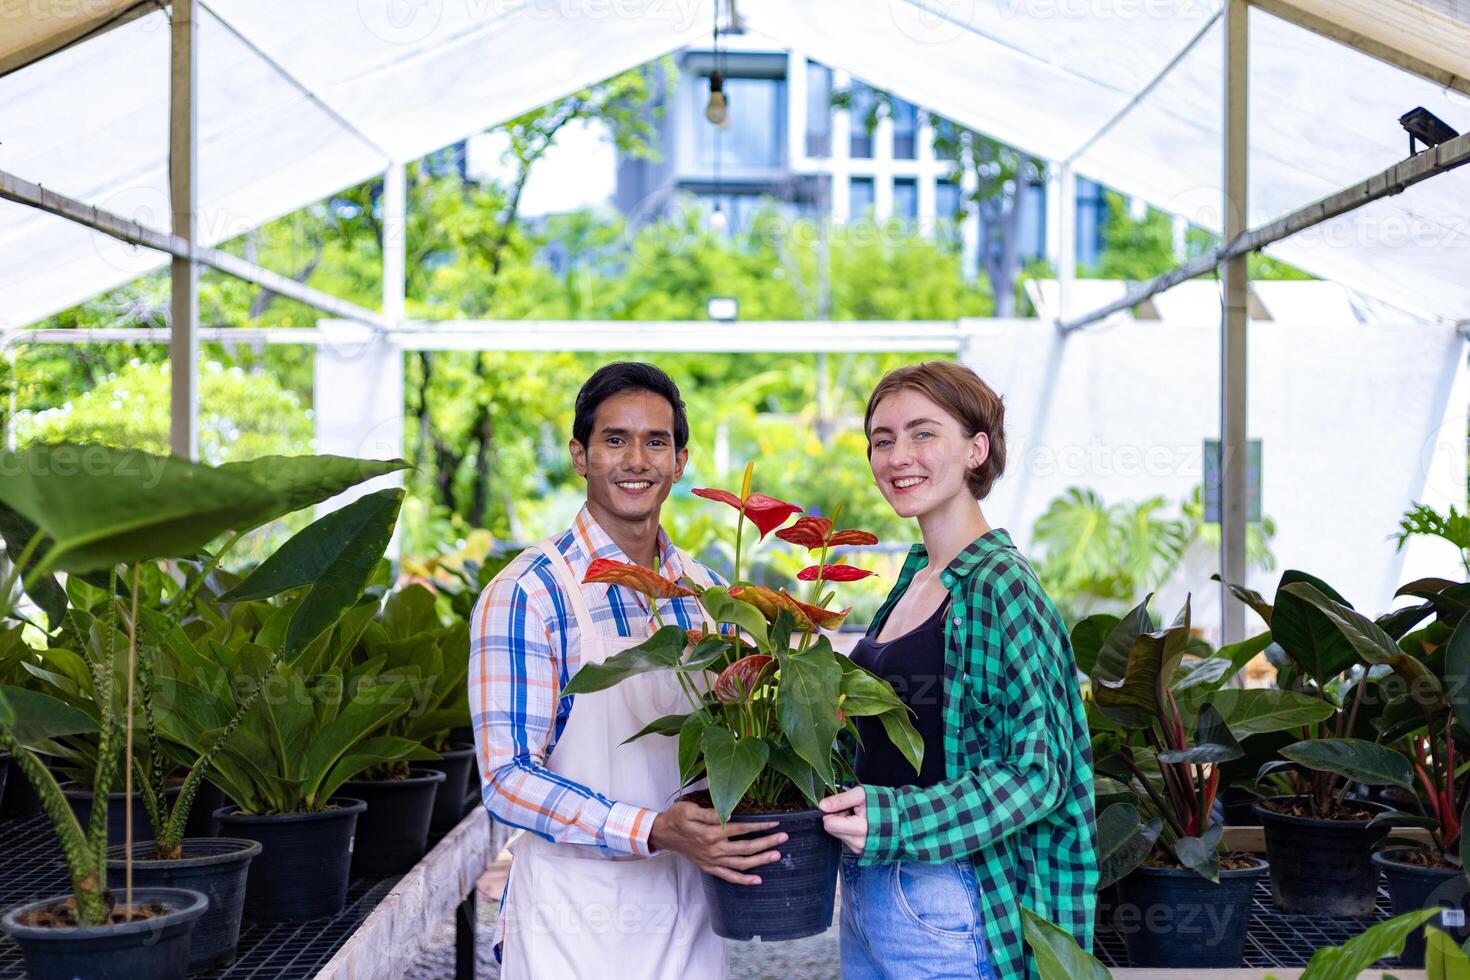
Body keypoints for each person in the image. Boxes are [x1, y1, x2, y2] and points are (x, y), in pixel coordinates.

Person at [469, 362, 785, 979]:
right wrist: (652, 829)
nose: (636, 460)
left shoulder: (708, 594)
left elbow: (734, 741)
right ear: (579, 455)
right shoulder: (529, 594)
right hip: (572, 918)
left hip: (691, 909)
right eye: (615, 440)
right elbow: (506, 780)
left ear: (680, 461)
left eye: (656, 442)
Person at [819, 360, 1097, 980]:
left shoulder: (1001, 588)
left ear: (976, 449)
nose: (897, 456)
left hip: (948, 896)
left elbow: (1036, 774)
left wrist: (895, 819)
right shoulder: (917, 577)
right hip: (866, 887)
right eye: (882, 439)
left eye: (923, 433)